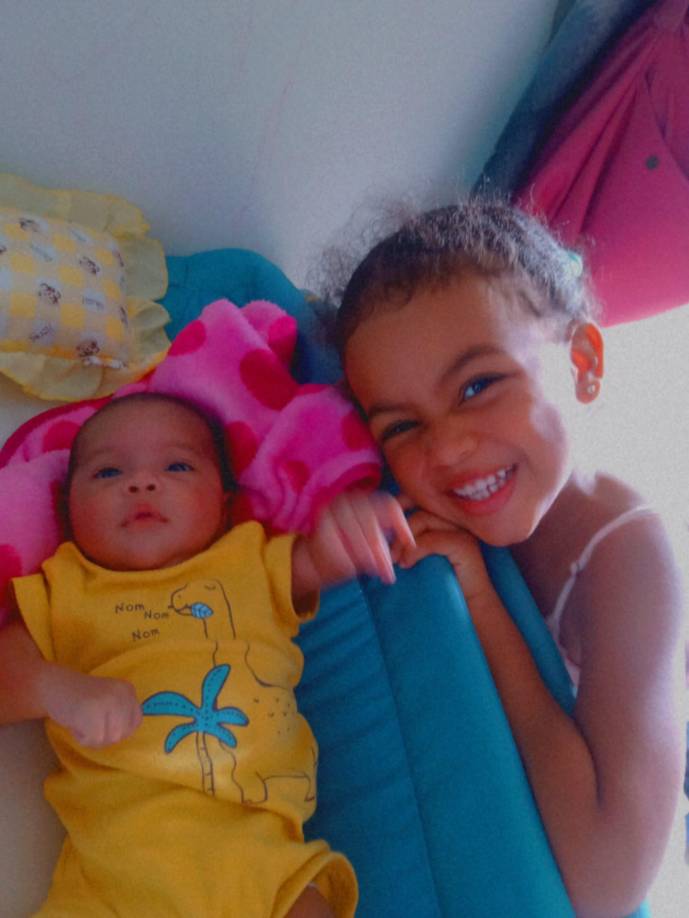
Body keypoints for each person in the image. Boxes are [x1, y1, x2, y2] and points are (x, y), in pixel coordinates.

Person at [335, 197, 687, 917]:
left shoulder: (631, 561)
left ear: (583, 363)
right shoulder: (462, 488)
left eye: (477, 386)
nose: (445, 449)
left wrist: (484, 606)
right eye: (401, 426)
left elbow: (607, 883)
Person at [0, 392, 414, 918]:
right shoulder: (63, 590)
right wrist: (56, 689)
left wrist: (349, 527)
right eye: (107, 473)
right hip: (112, 875)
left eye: (177, 466)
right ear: (67, 508)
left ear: (223, 501)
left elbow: (323, 558)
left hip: (259, 861)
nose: (141, 483)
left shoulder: (247, 561)